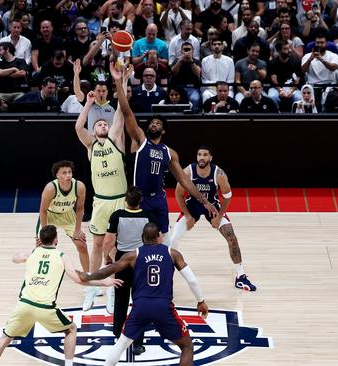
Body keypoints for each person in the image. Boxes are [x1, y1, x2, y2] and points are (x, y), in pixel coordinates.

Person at [0, 225, 122, 366]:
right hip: (45, 308)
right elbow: (79, 279)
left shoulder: (32, 253)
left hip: (24, 305)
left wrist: (35, 249)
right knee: (71, 329)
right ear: (56, 240)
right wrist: (104, 283)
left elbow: (15, 258)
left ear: (40, 240)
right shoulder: (61, 256)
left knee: (5, 338)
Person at [77, 222, 209, 366]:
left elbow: (108, 270)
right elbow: (192, 281)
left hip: (140, 306)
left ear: (142, 238)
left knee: (121, 345)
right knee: (187, 347)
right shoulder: (173, 253)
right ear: (159, 236)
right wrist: (200, 301)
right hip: (163, 307)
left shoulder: (133, 255)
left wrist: (88, 276)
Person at [117, 63, 217, 244]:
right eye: (152, 123)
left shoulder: (169, 152)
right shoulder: (140, 140)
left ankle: (166, 268)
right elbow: (126, 112)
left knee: (165, 241)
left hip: (159, 200)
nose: (154, 125)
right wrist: (118, 82)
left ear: (163, 131)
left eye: (158, 124)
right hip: (138, 198)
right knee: (136, 242)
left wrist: (204, 201)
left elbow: (185, 180)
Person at [74, 63, 129, 311]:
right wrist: (88, 103)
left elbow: (120, 114)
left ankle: (112, 289)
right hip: (101, 201)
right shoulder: (91, 146)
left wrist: (122, 82)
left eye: (104, 124)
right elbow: (78, 127)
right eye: (98, 126)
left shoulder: (117, 139)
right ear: (94, 131)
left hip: (119, 200)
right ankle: (93, 285)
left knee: (115, 247)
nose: (102, 126)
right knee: (97, 244)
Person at [170, 146, 256, 291]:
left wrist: (220, 216)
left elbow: (228, 196)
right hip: (192, 207)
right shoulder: (188, 171)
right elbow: (178, 194)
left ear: (210, 158)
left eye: (205, 155)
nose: (201, 157)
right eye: (199, 155)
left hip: (213, 208)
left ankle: (241, 277)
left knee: (232, 239)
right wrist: (188, 215)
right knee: (172, 241)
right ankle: (166, 276)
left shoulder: (219, 174)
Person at [103, 186, 157, 355]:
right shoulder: (148, 215)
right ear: (141, 200)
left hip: (122, 262)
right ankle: (138, 342)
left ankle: (119, 336)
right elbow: (158, 239)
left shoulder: (117, 215)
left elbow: (108, 241)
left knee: (120, 301)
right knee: (140, 302)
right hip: (142, 261)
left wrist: (107, 257)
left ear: (125, 200)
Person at [37, 160, 88, 272]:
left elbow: (79, 209)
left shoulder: (79, 187)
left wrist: (78, 229)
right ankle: (43, 274)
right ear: (57, 175)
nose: (68, 175)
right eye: (64, 173)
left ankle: (88, 277)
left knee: (82, 245)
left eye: (69, 172)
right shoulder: (50, 188)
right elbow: (43, 211)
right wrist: (46, 233)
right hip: (50, 215)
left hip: (68, 215)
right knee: (41, 246)